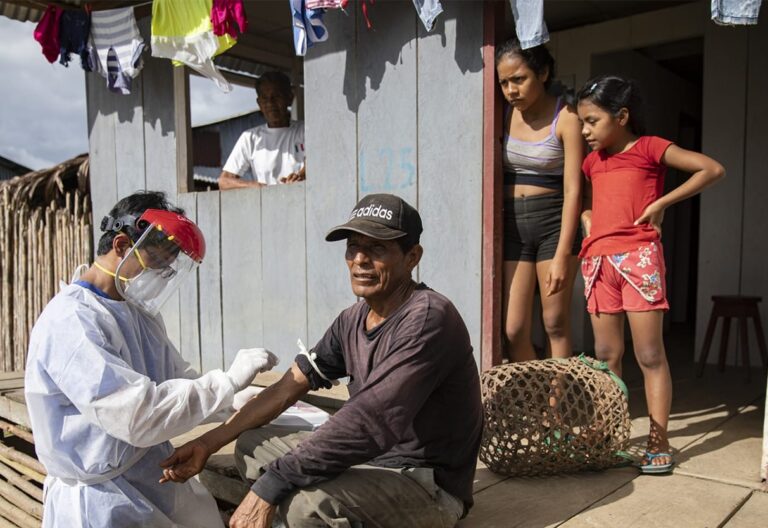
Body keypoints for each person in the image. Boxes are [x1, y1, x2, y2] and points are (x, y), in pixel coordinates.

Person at [159, 193, 483, 528]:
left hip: (425, 483)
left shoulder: (428, 317)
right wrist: (207, 443)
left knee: (305, 507)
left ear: (412, 257)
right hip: (371, 460)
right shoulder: (353, 319)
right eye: (353, 247)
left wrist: (271, 486)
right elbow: (287, 388)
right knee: (252, 444)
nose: (360, 259)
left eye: (377, 248)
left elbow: (370, 422)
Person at [24, 191, 279, 527]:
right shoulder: (72, 321)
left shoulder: (138, 314)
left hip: (148, 474)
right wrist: (225, 383)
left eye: (167, 269)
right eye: (156, 263)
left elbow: (174, 380)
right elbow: (136, 415)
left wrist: (231, 400)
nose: (160, 275)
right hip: (101, 501)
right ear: (120, 245)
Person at [576, 75, 725, 474]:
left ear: (622, 116)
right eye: (582, 122)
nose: (585, 131)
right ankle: (610, 435)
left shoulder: (649, 148)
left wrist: (662, 203)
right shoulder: (592, 162)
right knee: (606, 356)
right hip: (598, 263)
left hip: (638, 260)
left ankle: (659, 440)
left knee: (650, 354)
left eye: (592, 121)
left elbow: (711, 169)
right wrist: (588, 217)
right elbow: (592, 203)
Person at [495, 38, 584, 362]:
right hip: (513, 227)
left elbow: (574, 190)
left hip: (553, 225)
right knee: (513, 329)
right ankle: (535, 389)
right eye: (504, 82)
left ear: (543, 73)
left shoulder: (567, 117)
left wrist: (563, 254)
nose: (511, 90)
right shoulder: (502, 114)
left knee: (555, 323)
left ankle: (558, 395)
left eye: (519, 79)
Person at [219, 71, 306, 189]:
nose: (270, 103)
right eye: (265, 98)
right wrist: (253, 186)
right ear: (259, 103)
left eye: (277, 96)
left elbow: (315, 162)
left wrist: (300, 176)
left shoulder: (305, 130)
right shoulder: (250, 137)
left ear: (289, 98)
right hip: (265, 200)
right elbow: (224, 181)